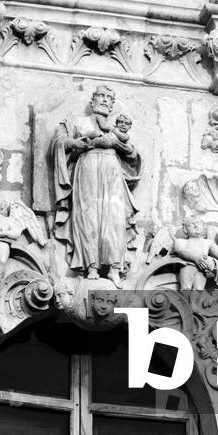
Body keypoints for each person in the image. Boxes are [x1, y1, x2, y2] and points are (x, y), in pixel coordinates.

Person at [51, 86, 141, 287]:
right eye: (101, 96)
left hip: (112, 167)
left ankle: (114, 268)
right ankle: (90, 265)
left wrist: (119, 145)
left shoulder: (117, 127)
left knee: (115, 217)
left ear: (112, 105)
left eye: (109, 98)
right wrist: (74, 144)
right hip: (88, 165)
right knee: (88, 215)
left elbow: (133, 156)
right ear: (92, 101)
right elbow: (59, 142)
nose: (105, 100)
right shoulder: (78, 122)